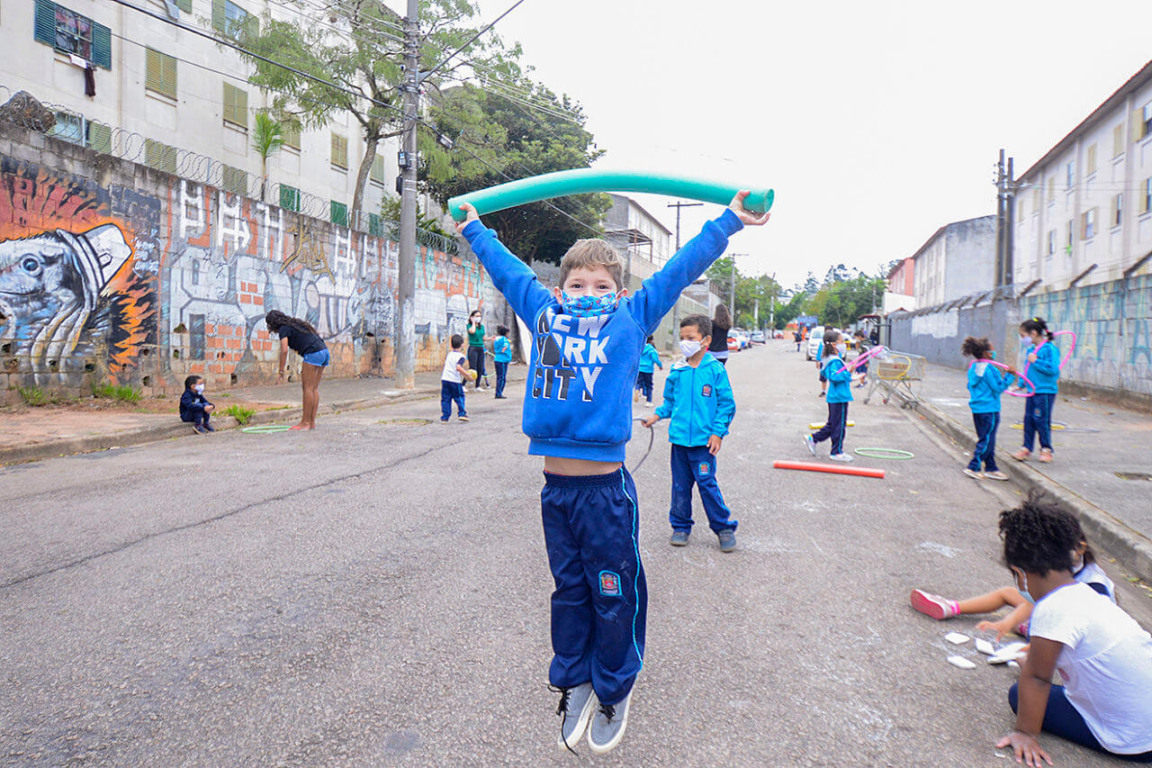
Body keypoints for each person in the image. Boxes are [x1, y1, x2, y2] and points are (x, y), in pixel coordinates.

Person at [456, 192, 769, 755]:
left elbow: (679, 270)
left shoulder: (630, 318)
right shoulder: (543, 313)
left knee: (610, 591)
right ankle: (574, 676)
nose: (588, 295)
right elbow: (507, 271)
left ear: (619, 293)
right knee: (569, 590)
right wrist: (476, 229)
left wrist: (729, 222)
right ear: (560, 290)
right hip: (556, 490)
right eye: (578, 285)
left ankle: (615, 685)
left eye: (601, 286)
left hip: (604, 493)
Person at [993, 495, 1152, 765]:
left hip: (1133, 741)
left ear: (1021, 573)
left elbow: (1038, 678)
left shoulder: (1052, 607)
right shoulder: (1091, 596)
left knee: (1019, 693)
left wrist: (1025, 732)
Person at [910, 524, 1116, 639]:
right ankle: (950, 607)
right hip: (1051, 618)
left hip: (1064, 631)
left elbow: (1087, 626)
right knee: (1008, 593)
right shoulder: (1065, 571)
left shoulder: (1095, 586)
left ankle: (1027, 627)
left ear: (1080, 548)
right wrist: (1006, 623)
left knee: (1018, 600)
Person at [641, 315, 737, 552]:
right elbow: (670, 402)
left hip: (704, 444)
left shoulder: (715, 370)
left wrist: (718, 433)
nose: (685, 342)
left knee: (707, 484)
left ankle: (723, 527)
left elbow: (726, 405)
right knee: (680, 486)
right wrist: (657, 415)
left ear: (705, 340)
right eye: (682, 338)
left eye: (690, 338)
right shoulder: (678, 370)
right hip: (680, 442)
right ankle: (681, 526)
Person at [961, 336, 1018, 481]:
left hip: (978, 409)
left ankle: (991, 468)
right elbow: (998, 388)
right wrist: (1010, 376)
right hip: (989, 410)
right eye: (992, 349)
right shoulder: (990, 369)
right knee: (986, 440)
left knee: (988, 439)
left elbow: (970, 385)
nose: (994, 351)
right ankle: (973, 466)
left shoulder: (973, 367)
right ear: (987, 353)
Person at [265, 309, 328, 431]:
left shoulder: (284, 329)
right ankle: (311, 422)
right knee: (314, 388)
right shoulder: (295, 324)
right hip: (324, 351)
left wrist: (281, 371)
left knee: (307, 388)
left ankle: (305, 422)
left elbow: (284, 350)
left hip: (313, 352)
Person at [1013, 317, 1060, 464]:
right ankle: (1026, 447)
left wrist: (1036, 361)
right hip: (1032, 391)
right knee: (1029, 420)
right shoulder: (1031, 350)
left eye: (1023, 336)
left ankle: (1046, 449)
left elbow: (1053, 370)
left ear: (1033, 333)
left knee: (1041, 420)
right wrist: (1021, 384)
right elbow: (1027, 370)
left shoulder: (1050, 349)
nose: (1023, 339)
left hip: (1045, 391)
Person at [804, 330, 854, 461]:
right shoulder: (834, 360)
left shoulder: (827, 358)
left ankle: (814, 438)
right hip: (839, 396)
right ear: (833, 344)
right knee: (839, 426)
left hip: (835, 396)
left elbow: (828, 374)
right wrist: (849, 374)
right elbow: (834, 376)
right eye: (841, 341)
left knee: (833, 424)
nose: (844, 344)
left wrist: (849, 374)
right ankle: (836, 452)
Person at [440, 333, 471, 422]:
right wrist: (467, 375)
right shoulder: (461, 356)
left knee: (446, 398)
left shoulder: (449, 354)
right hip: (454, 380)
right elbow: (458, 367)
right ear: (462, 345)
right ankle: (462, 413)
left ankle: (445, 417)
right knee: (459, 396)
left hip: (445, 379)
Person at [466, 309, 491, 391]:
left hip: (481, 348)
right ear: (472, 317)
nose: (478, 318)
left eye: (479, 316)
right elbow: (472, 331)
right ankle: (463, 384)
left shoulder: (482, 327)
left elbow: (483, 338)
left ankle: (477, 386)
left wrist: (490, 338)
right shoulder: (469, 326)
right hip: (473, 348)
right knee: (473, 368)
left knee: (480, 368)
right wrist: (473, 322)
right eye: (476, 316)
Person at [635, 335, 663, 406]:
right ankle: (648, 401)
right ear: (651, 340)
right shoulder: (651, 349)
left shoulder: (640, 347)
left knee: (638, 382)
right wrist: (660, 365)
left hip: (639, 368)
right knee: (649, 385)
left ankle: (637, 389)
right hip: (648, 370)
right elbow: (655, 359)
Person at [492, 325, 512, 399]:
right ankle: (499, 393)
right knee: (502, 377)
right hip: (502, 360)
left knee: (499, 377)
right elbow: (505, 346)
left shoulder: (496, 339)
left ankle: (498, 392)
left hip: (497, 359)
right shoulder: (504, 340)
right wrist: (505, 349)